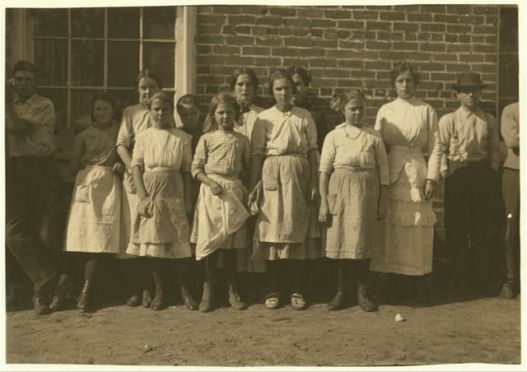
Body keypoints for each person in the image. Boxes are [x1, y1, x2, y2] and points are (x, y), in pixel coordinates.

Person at [249, 69, 321, 310]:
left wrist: (314, 183)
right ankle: (273, 288)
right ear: (272, 92)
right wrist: (255, 183)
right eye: (278, 89)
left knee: (296, 230)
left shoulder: (304, 116)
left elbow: (312, 150)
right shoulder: (264, 119)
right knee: (273, 231)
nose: (283, 93)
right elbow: (258, 152)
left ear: (293, 90)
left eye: (287, 88)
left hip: (299, 173)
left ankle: (296, 289)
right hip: (272, 172)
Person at [370, 62, 441, 303]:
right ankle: (388, 284)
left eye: (409, 80)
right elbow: (378, 146)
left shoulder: (426, 110)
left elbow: (436, 146)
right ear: (394, 84)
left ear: (416, 83)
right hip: (392, 170)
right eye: (400, 80)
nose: (405, 85)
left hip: (417, 173)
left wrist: (431, 177)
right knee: (390, 227)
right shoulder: (386, 110)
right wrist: (380, 179)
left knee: (414, 227)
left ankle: (413, 285)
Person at [5, 60, 69, 315]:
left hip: (42, 170)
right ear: (12, 80)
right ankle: (50, 278)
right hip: (15, 170)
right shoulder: (10, 104)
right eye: (18, 79)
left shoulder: (44, 105)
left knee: (46, 234)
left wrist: (5, 102)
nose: (23, 83)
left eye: (28, 79)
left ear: (36, 82)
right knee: (12, 232)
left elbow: (15, 127)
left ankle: (45, 292)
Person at [319, 90, 389, 312]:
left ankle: (362, 291)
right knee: (341, 240)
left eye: (361, 108)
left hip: (366, 190)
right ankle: (341, 290)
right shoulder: (334, 136)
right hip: (340, 189)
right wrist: (323, 201)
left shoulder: (373, 136)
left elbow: (384, 171)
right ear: (343, 110)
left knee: (362, 240)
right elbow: (324, 171)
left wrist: (382, 201)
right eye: (352, 109)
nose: (357, 112)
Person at [126, 92, 197, 311]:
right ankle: (160, 290)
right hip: (151, 189)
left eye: (165, 109)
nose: (160, 113)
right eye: (156, 109)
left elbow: (186, 170)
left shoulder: (181, 137)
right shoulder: (144, 136)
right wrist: (143, 196)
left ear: (171, 112)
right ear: (150, 111)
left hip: (174, 188)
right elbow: (136, 166)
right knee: (154, 242)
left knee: (178, 241)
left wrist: (186, 201)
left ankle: (185, 290)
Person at [435, 72, 502, 296]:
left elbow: (494, 149)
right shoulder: (448, 120)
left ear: (481, 92)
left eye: (475, 90)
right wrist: (444, 172)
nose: (471, 95)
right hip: (457, 176)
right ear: (458, 95)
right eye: (466, 91)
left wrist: (491, 169)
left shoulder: (488, 120)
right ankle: (458, 282)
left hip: (481, 176)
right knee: (457, 228)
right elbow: (440, 149)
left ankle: (480, 281)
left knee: (482, 229)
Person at [190, 93, 251, 312]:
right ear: (214, 115)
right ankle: (209, 292)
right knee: (211, 245)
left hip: (232, 192)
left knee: (231, 247)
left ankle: (232, 291)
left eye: (229, 113)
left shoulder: (241, 140)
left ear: (236, 115)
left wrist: (243, 189)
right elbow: (195, 169)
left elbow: (246, 167)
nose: (225, 117)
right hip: (211, 193)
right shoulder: (206, 138)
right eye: (221, 112)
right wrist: (210, 182)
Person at [63, 94, 124, 312]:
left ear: (112, 111)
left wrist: (119, 166)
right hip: (87, 185)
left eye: (105, 109)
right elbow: (73, 165)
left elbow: (125, 153)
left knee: (103, 238)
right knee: (84, 237)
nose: (101, 113)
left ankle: (92, 290)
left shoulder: (119, 132)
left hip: (109, 185)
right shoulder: (83, 136)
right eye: (97, 109)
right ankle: (82, 290)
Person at [116, 70, 162, 307]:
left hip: (156, 177)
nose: (147, 92)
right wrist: (131, 167)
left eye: (151, 87)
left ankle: (153, 288)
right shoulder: (130, 113)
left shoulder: (163, 112)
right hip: (134, 177)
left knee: (152, 231)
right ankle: (136, 286)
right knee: (133, 229)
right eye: (143, 88)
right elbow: (122, 145)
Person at [500, 101, 520, 299]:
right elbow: (513, 141)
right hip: (516, 172)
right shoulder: (511, 110)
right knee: (512, 226)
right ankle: (511, 279)